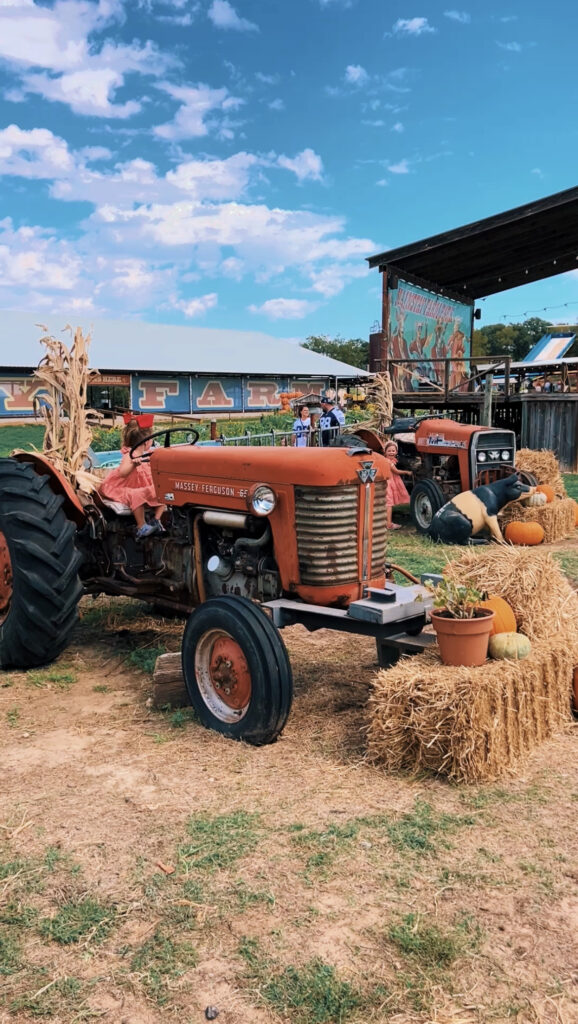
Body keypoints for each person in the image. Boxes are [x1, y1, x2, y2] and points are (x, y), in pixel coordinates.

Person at [99, 416, 166, 538]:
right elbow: (123, 473)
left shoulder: (147, 455)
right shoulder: (130, 455)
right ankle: (141, 526)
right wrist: (133, 465)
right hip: (125, 486)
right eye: (152, 439)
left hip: (141, 485)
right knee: (135, 495)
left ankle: (156, 520)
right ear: (147, 441)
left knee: (165, 490)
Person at [383, 440, 411, 530]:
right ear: (385, 452)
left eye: (393, 451)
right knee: (389, 503)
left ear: (396, 452)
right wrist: (407, 472)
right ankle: (388, 524)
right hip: (388, 483)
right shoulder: (388, 462)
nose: (391, 453)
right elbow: (396, 471)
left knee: (388, 503)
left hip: (390, 482)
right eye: (389, 451)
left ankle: (385, 521)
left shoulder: (391, 460)